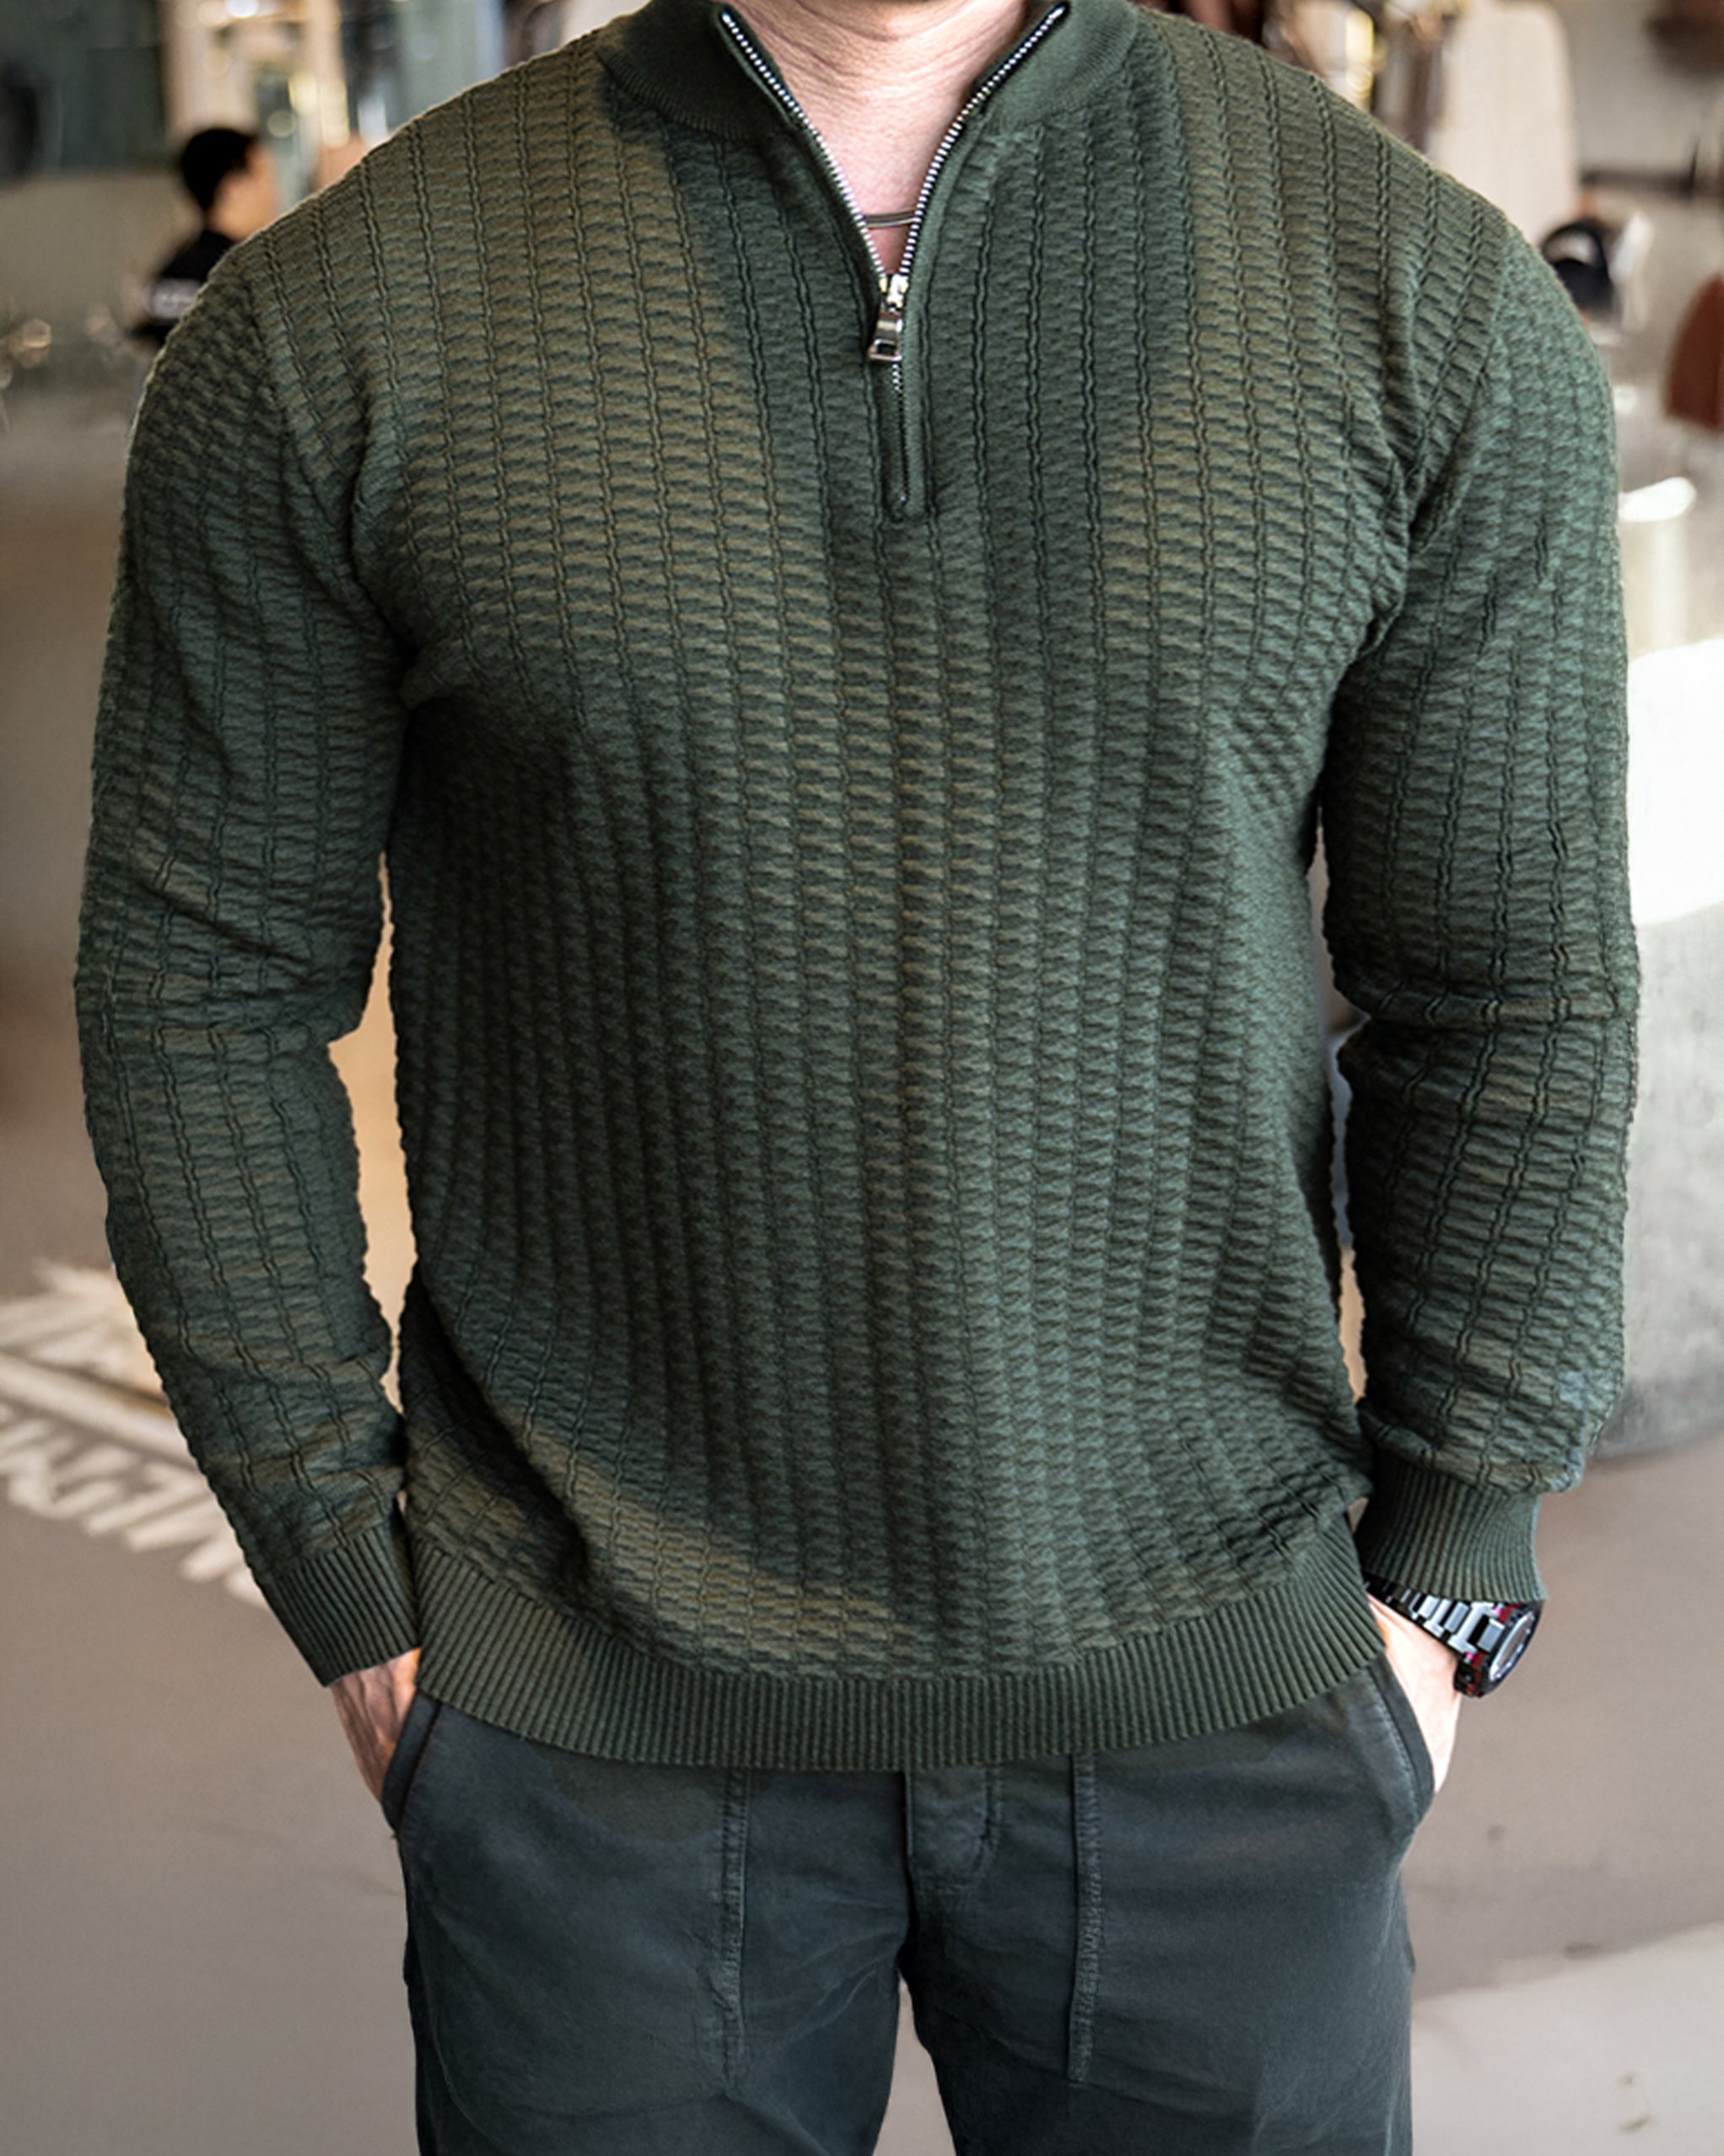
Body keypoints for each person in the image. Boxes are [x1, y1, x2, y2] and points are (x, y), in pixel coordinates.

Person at [77, 0, 1636, 2147]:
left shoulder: (1408, 288)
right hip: (588, 1726)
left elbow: (1507, 984)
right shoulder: (343, 318)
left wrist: (1451, 1570)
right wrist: (343, 1574)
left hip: (1224, 1697)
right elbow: (203, 981)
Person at [133, 126, 279, 348]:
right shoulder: (251, 276)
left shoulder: (170, 273)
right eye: (266, 179)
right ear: (234, 189)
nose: (273, 195)